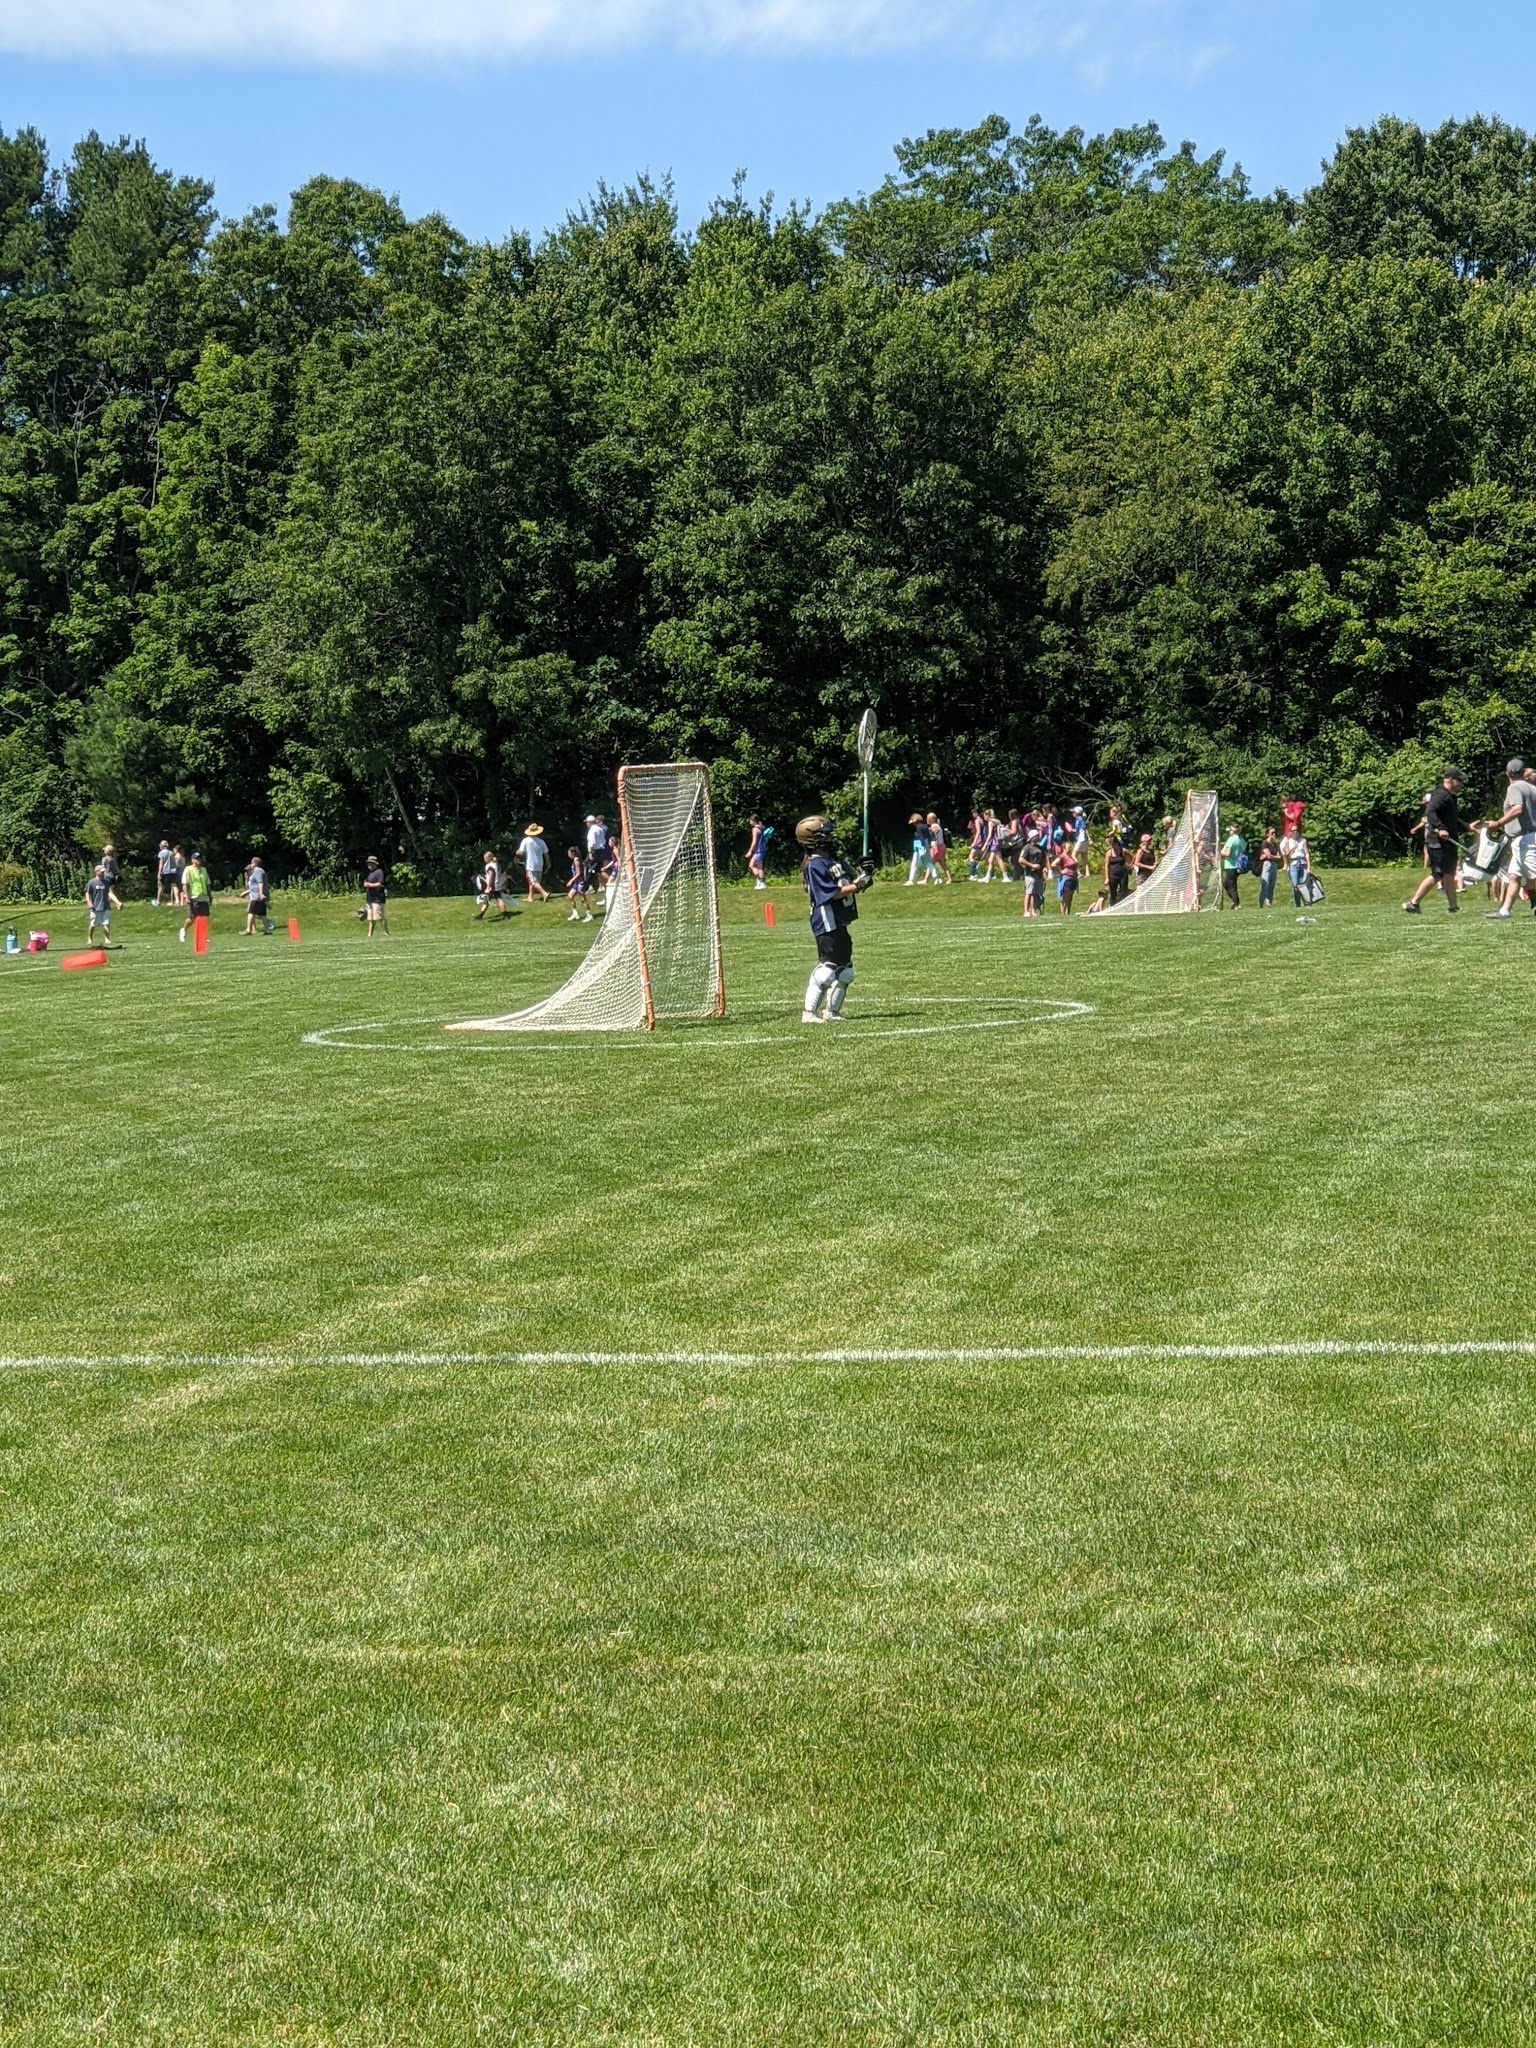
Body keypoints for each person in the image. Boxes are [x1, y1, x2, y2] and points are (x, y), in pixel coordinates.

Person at [797, 814, 872, 1023]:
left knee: (845, 971)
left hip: (839, 921)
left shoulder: (832, 859)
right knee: (827, 970)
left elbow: (848, 878)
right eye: (824, 834)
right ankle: (809, 1013)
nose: (829, 837)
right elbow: (832, 893)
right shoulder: (814, 864)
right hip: (826, 920)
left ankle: (832, 1011)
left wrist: (863, 872)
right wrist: (859, 885)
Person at [1403, 771, 1466, 913]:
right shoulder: (1441, 795)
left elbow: (1452, 818)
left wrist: (1467, 826)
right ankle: (1413, 903)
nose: (1461, 784)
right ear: (1450, 779)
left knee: (1449, 873)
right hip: (1437, 842)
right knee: (1438, 874)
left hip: (1448, 841)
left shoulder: (1450, 796)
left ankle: (1453, 907)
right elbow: (1430, 812)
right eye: (1459, 781)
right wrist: (1440, 828)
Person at [1482, 759, 1536, 918]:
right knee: (1513, 876)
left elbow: (1517, 808)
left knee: (1534, 875)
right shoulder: (1532, 788)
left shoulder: (1514, 787)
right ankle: (1504, 911)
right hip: (1525, 838)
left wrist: (1499, 822)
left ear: (1507, 774)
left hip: (1525, 838)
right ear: (1523, 771)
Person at [179, 851, 211, 944]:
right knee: (192, 917)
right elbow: (184, 884)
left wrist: (210, 896)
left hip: (203, 896)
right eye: (197, 858)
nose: (199, 860)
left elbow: (207, 884)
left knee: (203, 917)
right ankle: (184, 930)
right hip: (193, 896)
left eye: (199, 858)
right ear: (192, 860)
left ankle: (202, 936)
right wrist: (186, 896)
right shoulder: (188, 869)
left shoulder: (204, 870)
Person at [84, 865, 119, 943]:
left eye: (103, 871)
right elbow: (87, 893)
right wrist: (89, 903)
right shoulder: (92, 882)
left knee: (106, 923)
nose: (103, 873)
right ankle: (90, 938)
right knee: (93, 924)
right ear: (96, 872)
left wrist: (117, 902)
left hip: (105, 906)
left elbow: (110, 893)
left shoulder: (106, 882)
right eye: (101, 871)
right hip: (95, 907)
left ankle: (107, 938)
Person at [1281, 823, 1313, 908]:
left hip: (1302, 863)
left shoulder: (1303, 841)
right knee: (1295, 886)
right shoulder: (1288, 841)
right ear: (1291, 832)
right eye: (1293, 830)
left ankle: (1307, 904)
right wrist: (1293, 848)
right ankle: (1297, 905)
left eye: (1297, 830)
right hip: (1293, 864)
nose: (1296, 832)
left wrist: (1309, 866)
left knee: (1304, 885)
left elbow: (1306, 853)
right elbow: (1286, 854)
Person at [517, 823, 550, 902]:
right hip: (539, 864)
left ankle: (544, 893)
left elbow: (521, 853)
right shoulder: (541, 842)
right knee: (534, 881)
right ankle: (530, 897)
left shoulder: (525, 841)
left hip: (530, 864)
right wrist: (548, 863)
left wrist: (517, 853)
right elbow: (546, 853)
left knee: (533, 881)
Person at [475, 851, 510, 920]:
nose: (484, 859)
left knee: (492, 899)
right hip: (497, 885)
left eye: (485, 857)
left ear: (489, 858)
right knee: (493, 899)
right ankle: (481, 915)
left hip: (492, 886)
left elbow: (491, 876)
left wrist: (488, 887)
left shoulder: (489, 866)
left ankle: (505, 915)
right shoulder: (495, 864)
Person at [1019, 831, 1046, 918]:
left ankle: (1033, 910)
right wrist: (1032, 865)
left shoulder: (1040, 847)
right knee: (1029, 892)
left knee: (1035, 893)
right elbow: (1021, 859)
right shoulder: (1027, 847)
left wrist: (1044, 869)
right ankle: (1026, 911)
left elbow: (1044, 860)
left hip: (1038, 874)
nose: (1039, 836)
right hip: (1030, 873)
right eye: (1037, 835)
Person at [905, 813, 936, 886]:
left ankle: (911, 880)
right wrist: (928, 844)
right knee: (928, 862)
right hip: (925, 845)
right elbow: (929, 836)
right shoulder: (925, 826)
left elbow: (921, 837)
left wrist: (922, 847)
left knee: (915, 863)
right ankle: (936, 877)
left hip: (920, 846)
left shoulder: (918, 827)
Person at [1220, 824, 1247, 907]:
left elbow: (1227, 853)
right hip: (1238, 865)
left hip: (1230, 865)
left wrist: (1220, 853)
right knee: (1225, 884)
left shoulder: (1231, 840)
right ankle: (1233, 901)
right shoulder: (1241, 840)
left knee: (1231, 886)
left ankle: (1236, 904)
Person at [362, 855, 389, 937]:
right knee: (370, 918)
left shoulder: (379, 872)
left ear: (375, 864)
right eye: (368, 863)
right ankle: (369, 934)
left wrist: (369, 885)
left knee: (379, 916)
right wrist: (365, 884)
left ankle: (385, 932)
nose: (369, 865)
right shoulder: (369, 873)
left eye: (370, 863)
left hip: (378, 898)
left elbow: (380, 884)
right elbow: (365, 882)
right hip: (370, 898)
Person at [565, 847, 593, 922]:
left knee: (583, 899)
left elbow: (578, 873)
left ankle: (589, 915)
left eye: (569, 853)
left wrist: (571, 881)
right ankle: (575, 913)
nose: (568, 855)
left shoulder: (576, 861)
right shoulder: (575, 860)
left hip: (580, 883)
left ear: (573, 853)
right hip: (576, 883)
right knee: (570, 896)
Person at [1256, 828, 1280, 909]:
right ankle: (1261, 904)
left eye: (1275, 832)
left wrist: (1270, 856)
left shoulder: (1275, 844)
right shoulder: (1265, 843)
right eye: (1272, 832)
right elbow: (1268, 855)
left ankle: (1269, 903)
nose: (1274, 834)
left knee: (1271, 885)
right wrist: (1271, 856)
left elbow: (1279, 856)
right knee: (1265, 884)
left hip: (1274, 865)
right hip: (1267, 865)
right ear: (1268, 834)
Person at [1054, 840, 1080, 913]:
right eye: (1069, 847)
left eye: (1071, 847)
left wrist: (1073, 856)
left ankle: (1068, 912)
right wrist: (1061, 871)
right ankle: (1063, 913)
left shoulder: (1071, 856)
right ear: (1064, 848)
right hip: (1066, 879)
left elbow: (1076, 862)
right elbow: (1054, 864)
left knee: (1070, 897)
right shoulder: (1062, 856)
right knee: (1066, 897)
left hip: (1073, 878)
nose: (1070, 849)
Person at [1105, 833, 1129, 906]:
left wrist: (1129, 865)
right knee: (1113, 892)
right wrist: (1106, 878)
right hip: (1113, 875)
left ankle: (1124, 906)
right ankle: (1112, 905)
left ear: (1117, 843)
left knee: (1123, 891)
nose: (1113, 847)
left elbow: (1132, 857)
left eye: (1113, 844)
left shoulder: (1123, 851)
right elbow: (1106, 866)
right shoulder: (1109, 853)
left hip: (1123, 874)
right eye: (1111, 845)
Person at [746, 815, 769, 889]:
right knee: (754, 866)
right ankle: (759, 881)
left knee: (757, 867)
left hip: (758, 850)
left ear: (754, 821)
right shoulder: (761, 827)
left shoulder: (755, 829)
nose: (749, 823)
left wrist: (749, 852)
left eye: (750, 821)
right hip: (761, 849)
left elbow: (754, 842)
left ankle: (761, 882)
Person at [927, 813, 951, 883]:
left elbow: (935, 833)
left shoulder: (934, 825)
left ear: (932, 819)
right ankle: (949, 879)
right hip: (941, 846)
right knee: (942, 863)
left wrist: (935, 843)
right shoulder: (936, 825)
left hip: (937, 847)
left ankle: (928, 879)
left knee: (931, 863)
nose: (927, 820)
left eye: (928, 818)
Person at [153, 839, 178, 906]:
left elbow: (161, 864)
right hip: (173, 871)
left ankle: (158, 901)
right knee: (174, 886)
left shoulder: (161, 853)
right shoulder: (171, 853)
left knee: (161, 887)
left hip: (165, 872)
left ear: (162, 846)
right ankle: (177, 901)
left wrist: (159, 873)